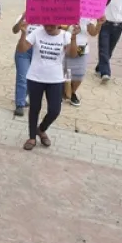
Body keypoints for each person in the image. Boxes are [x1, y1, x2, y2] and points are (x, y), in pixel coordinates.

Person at [18, 21, 77, 151]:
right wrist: (23, 34)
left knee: (55, 110)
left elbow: (72, 54)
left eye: (52, 25)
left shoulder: (64, 35)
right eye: (46, 25)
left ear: (59, 24)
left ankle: (41, 129)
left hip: (55, 79)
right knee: (34, 108)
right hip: (35, 77)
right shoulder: (37, 33)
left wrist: (73, 38)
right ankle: (32, 137)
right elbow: (22, 49)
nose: (48, 28)